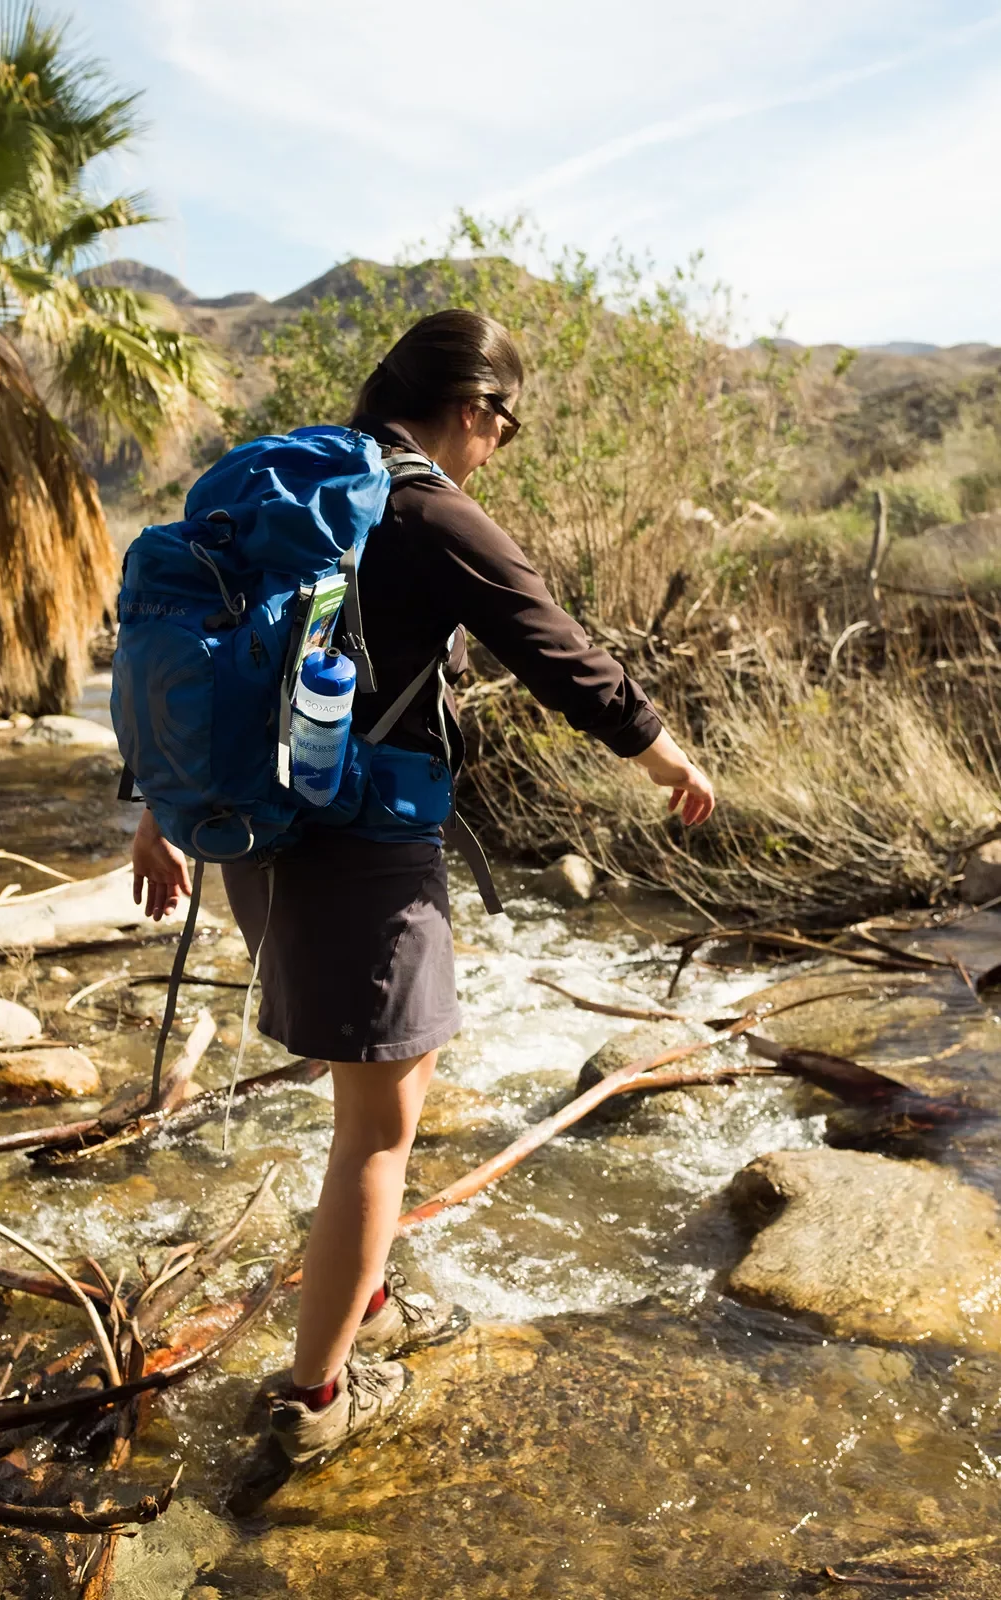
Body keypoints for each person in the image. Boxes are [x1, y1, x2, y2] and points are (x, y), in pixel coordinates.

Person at [131, 308, 714, 1467]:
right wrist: (665, 755)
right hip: (364, 842)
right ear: (474, 411)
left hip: (258, 834)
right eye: (505, 427)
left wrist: (157, 814)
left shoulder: (277, 484)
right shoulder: (425, 506)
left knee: (356, 1094)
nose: (497, 449)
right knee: (378, 1130)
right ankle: (314, 1401)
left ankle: (370, 1300)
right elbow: (554, 645)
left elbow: (191, 643)